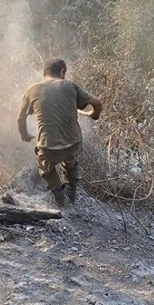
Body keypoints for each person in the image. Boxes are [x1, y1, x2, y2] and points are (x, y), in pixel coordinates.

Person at [17, 58, 102, 208]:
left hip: (48, 147)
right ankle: (72, 194)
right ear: (62, 72)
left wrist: (24, 135)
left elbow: (20, 118)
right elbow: (96, 102)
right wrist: (94, 114)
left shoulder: (32, 90)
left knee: (46, 168)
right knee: (70, 162)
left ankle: (60, 198)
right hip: (73, 144)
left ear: (45, 73)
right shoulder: (70, 86)